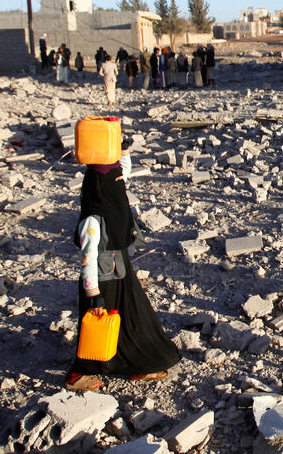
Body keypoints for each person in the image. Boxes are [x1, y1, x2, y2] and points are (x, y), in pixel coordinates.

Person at [65, 148, 180, 391]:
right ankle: (78, 374)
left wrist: (123, 151)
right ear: (104, 187)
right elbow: (88, 258)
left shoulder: (106, 191)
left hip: (120, 269)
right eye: (115, 179)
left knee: (131, 319)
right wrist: (93, 293)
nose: (121, 184)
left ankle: (137, 364)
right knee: (98, 327)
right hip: (102, 279)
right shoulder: (93, 220)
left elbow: (122, 174)